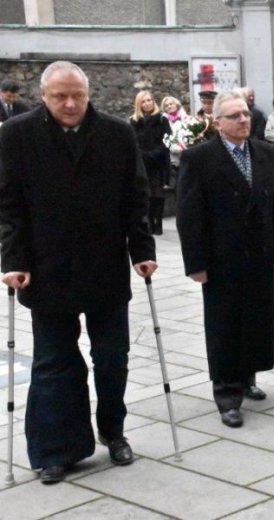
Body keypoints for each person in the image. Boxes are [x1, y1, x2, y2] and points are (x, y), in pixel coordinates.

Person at [0, 61, 157, 484]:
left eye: (78, 96)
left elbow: (134, 198)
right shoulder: (16, 135)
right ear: (43, 94)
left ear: (89, 95)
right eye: (60, 97)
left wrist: (141, 250)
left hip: (104, 267)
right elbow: (8, 205)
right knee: (54, 362)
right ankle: (56, 448)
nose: (70, 104)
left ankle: (114, 430)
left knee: (112, 358)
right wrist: (12, 260)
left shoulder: (116, 133)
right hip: (46, 268)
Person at [176, 90, 274, 428]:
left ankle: (247, 378)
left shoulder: (265, 153)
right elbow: (189, 214)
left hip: (259, 254)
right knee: (225, 325)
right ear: (217, 123)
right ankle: (227, 393)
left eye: (245, 114)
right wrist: (195, 263)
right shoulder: (199, 158)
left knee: (257, 319)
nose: (243, 120)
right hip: (220, 257)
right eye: (234, 116)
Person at [130, 90, 172, 235]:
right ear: (139, 104)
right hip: (142, 162)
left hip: (158, 161)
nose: (147, 103)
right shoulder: (134, 121)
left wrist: (155, 153)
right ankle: (148, 222)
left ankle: (158, 223)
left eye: (149, 100)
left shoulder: (161, 119)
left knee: (158, 193)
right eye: (143, 101)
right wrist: (144, 155)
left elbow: (167, 140)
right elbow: (133, 142)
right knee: (145, 193)